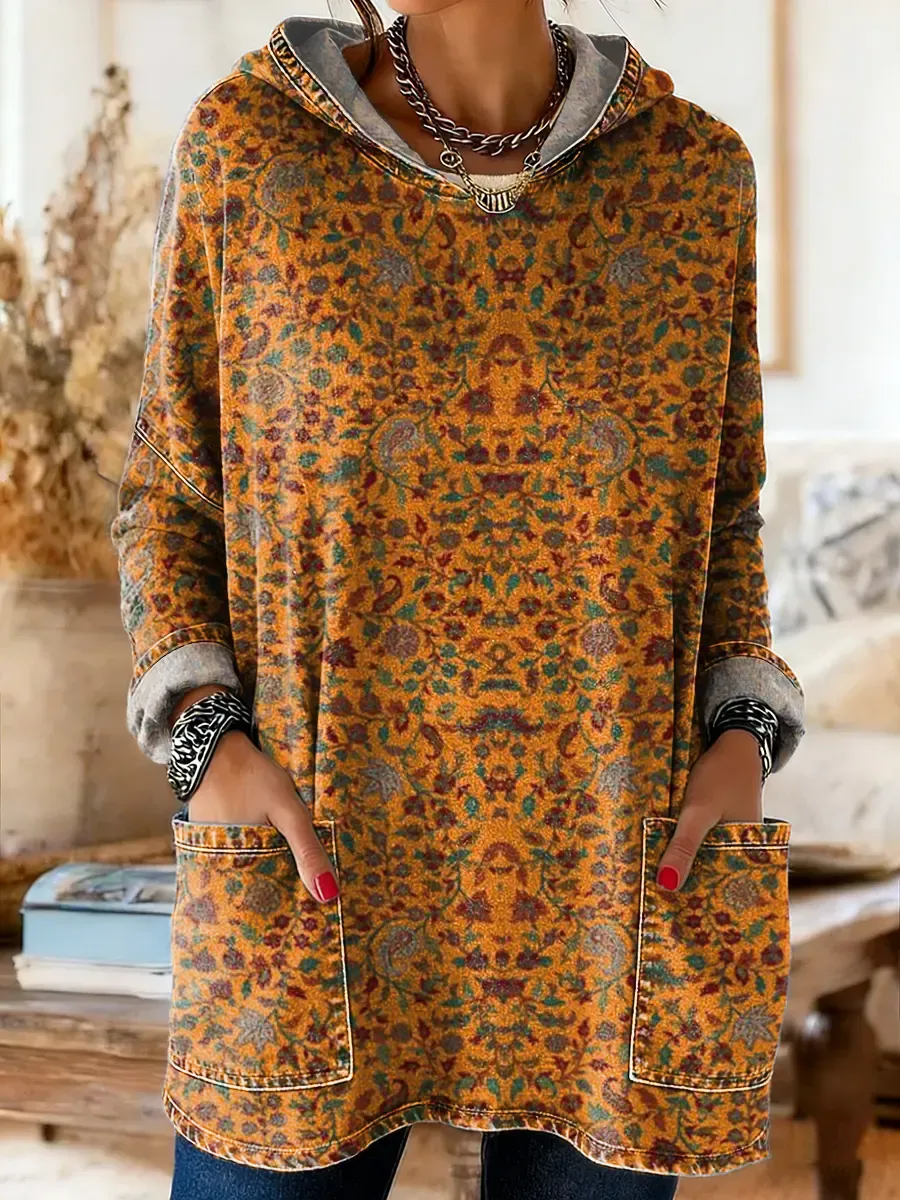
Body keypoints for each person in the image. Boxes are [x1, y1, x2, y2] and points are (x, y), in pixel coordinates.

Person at [111, 1, 806, 1197]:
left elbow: (724, 513)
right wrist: (204, 742)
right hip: (314, 869)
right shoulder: (253, 152)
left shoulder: (694, 180)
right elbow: (171, 496)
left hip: (617, 885)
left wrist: (741, 733)